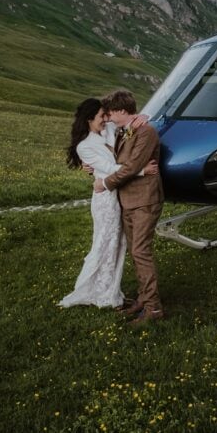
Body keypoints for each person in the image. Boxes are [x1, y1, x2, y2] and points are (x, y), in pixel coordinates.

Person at [60, 98, 156, 309]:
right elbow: (110, 167)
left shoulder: (108, 129)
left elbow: (128, 120)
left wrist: (143, 116)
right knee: (106, 243)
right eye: (101, 116)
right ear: (89, 120)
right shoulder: (84, 147)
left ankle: (113, 290)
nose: (106, 119)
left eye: (106, 115)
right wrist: (141, 171)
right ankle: (103, 293)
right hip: (106, 200)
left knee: (119, 245)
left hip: (120, 193)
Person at [95, 89, 165, 326]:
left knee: (140, 252)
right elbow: (117, 161)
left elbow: (132, 165)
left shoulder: (146, 132)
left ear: (122, 111)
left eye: (112, 112)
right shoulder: (124, 129)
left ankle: (153, 308)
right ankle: (143, 300)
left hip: (145, 200)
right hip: (128, 200)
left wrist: (105, 183)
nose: (110, 117)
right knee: (136, 253)